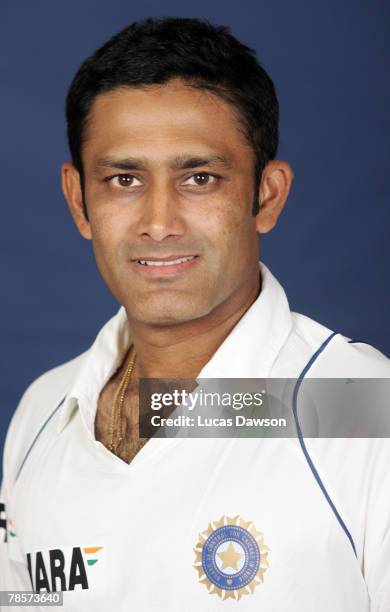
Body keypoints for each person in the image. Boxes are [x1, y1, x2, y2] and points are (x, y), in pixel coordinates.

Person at [1, 17, 389, 612]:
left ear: (266, 195)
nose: (159, 223)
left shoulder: (365, 408)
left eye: (200, 178)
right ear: (80, 200)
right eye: (124, 179)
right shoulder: (44, 412)